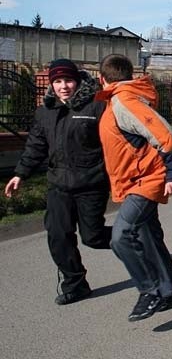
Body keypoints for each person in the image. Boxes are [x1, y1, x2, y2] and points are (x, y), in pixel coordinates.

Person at [3, 59, 111, 305]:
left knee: (92, 237)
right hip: (59, 185)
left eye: (68, 80)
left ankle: (135, 240)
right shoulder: (45, 112)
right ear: (52, 84)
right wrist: (21, 173)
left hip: (91, 183)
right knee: (58, 234)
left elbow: (113, 144)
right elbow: (36, 146)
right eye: (58, 81)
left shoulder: (96, 107)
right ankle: (76, 284)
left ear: (78, 81)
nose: (64, 86)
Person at [96, 54, 172, 322]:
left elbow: (164, 134)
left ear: (102, 79)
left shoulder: (124, 101)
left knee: (122, 235)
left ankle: (150, 291)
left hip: (146, 180)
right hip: (134, 180)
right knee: (148, 235)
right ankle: (168, 289)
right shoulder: (116, 100)